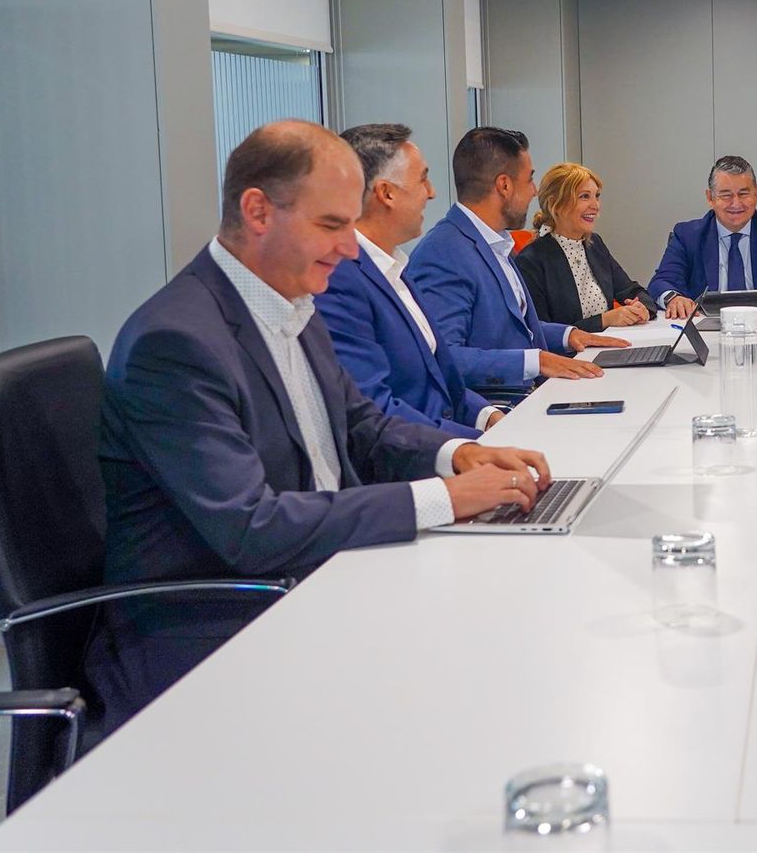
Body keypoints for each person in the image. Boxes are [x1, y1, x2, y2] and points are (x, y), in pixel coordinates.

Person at [87, 120, 552, 732]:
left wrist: (458, 454)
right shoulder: (175, 342)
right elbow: (250, 528)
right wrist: (443, 498)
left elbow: (363, 425)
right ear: (258, 212)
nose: (351, 249)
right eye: (332, 226)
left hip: (316, 575)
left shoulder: (293, 301)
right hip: (214, 628)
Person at [316, 123, 501, 439]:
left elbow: (440, 380)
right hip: (418, 457)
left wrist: (487, 416)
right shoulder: (340, 280)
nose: (432, 192)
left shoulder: (394, 266)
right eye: (423, 179)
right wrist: (472, 447)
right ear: (386, 193)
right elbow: (374, 408)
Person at [407, 127, 628, 390]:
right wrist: (535, 361)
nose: (534, 191)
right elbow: (444, 357)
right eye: (529, 179)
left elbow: (512, 331)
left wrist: (570, 335)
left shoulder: (495, 243)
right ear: (504, 186)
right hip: (501, 402)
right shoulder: (444, 253)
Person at [647, 154, 757, 317]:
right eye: (726, 195)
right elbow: (662, 281)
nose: (736, 204)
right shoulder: (688, 235)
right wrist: (674, 298)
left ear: (756, 194)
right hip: (706, 327)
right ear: (710, 198)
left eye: (743, 194)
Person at [515, 162, 657, 332]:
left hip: (610, 343)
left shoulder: (594, 244)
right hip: (570, 349)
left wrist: (641, 307)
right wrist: (604, 320)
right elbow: (542, 331)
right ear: (555, 204)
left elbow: (631, 290)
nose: (595, 206)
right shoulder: (531, 260)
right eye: (584, 196)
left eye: (596, 196)